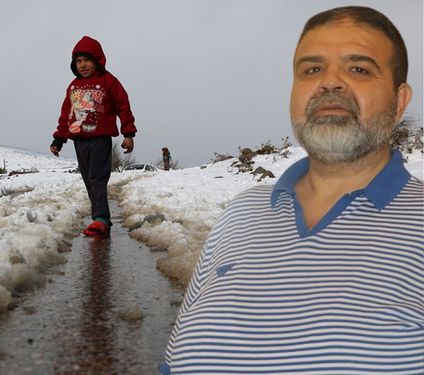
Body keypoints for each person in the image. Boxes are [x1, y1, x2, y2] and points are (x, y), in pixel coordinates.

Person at [161, 6, 422, 374]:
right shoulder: (239, 215)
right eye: (312, 69)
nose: (330, 83)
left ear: (399, 101)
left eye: (358, 68)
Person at [50, 36, 137, 237]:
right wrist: (59, 139)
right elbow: (66, 114)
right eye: (78, 61)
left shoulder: (109, 81)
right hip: (79, 139)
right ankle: (100, 218)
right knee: (88, 179)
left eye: (87, 60)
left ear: (97, 60)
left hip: (100, 137)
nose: (83, 65)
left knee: (98, 177)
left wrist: (128, 133)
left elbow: (123, 106)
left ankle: (101, 219)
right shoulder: (73, 86)